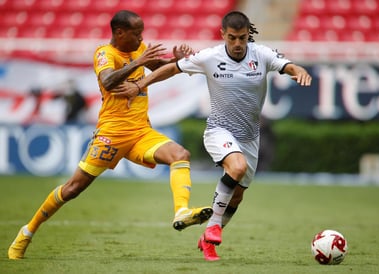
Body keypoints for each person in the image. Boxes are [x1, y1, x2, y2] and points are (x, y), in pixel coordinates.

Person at [8, 10, 213, 260]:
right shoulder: (105, 53)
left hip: (140, 132)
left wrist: (179, 62)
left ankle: (181, 211)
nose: (141, 38)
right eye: (136, 33)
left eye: (142, 33)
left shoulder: (138, 50)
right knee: (72, 189)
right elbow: (107, 81)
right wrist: (137, 63)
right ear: (119, 32)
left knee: (180, 154)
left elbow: (160, 68)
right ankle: (27, 232)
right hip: (111, 134)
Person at [115, 11, 312, 261]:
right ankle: (215, 225)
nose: (238, 44)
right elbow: (172, 69)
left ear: (248, 35)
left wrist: (298, 71)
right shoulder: (210, 57)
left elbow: (288, 65)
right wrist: (140, 85)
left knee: (237, 196)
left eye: (242, 38)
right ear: (223, 35)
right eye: (232, 38)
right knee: (237, 167)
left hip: (250, 137)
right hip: (220, 130)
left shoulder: (261, 54)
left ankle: (208, 239)